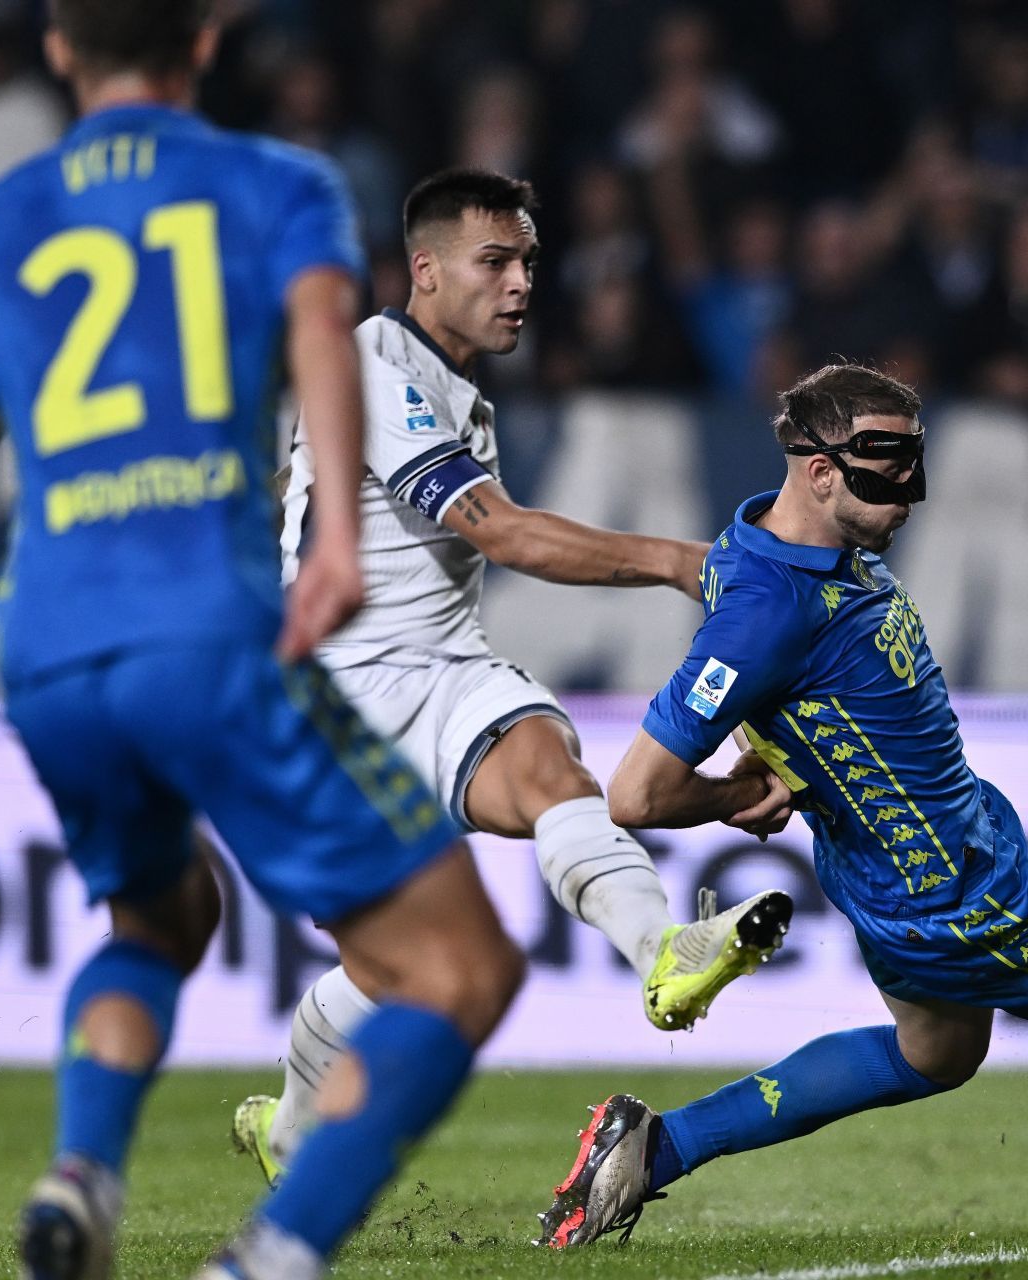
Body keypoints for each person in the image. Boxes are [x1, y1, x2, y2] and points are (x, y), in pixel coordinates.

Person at [0, 4, 523, 1278]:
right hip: (208, 630)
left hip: (49, 652)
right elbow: (321, 345)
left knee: (163, 915)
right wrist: (336, 534)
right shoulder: (274, 182)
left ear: (63, 51)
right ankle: (271, 1255)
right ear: (209, 40)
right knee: (459, 966)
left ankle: (83, 1168)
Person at [534, 364, 1028, 1248]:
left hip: (887, 884)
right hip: (960, 891)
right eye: (888, 463)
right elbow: (635, 790)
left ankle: (656, 1150)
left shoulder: (779, 551)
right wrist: (734, 790)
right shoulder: (768, 609)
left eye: (916, 459)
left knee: (937, 1054)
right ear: (819, 472)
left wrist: (785, 753)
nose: (911, 490)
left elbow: (688, 566)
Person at [233, 168, 791, 1184]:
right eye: (497, 261)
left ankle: (667, 955)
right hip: (341, 696)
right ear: (427, 269)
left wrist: (709, 796)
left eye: (529, 260)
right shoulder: (373, 359)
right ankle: (288, 1130)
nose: (523, 282)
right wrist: (682, 561)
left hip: (442, 668)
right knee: (396, 970)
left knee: (551, 768)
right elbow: (503, 530)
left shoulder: (449, 392)